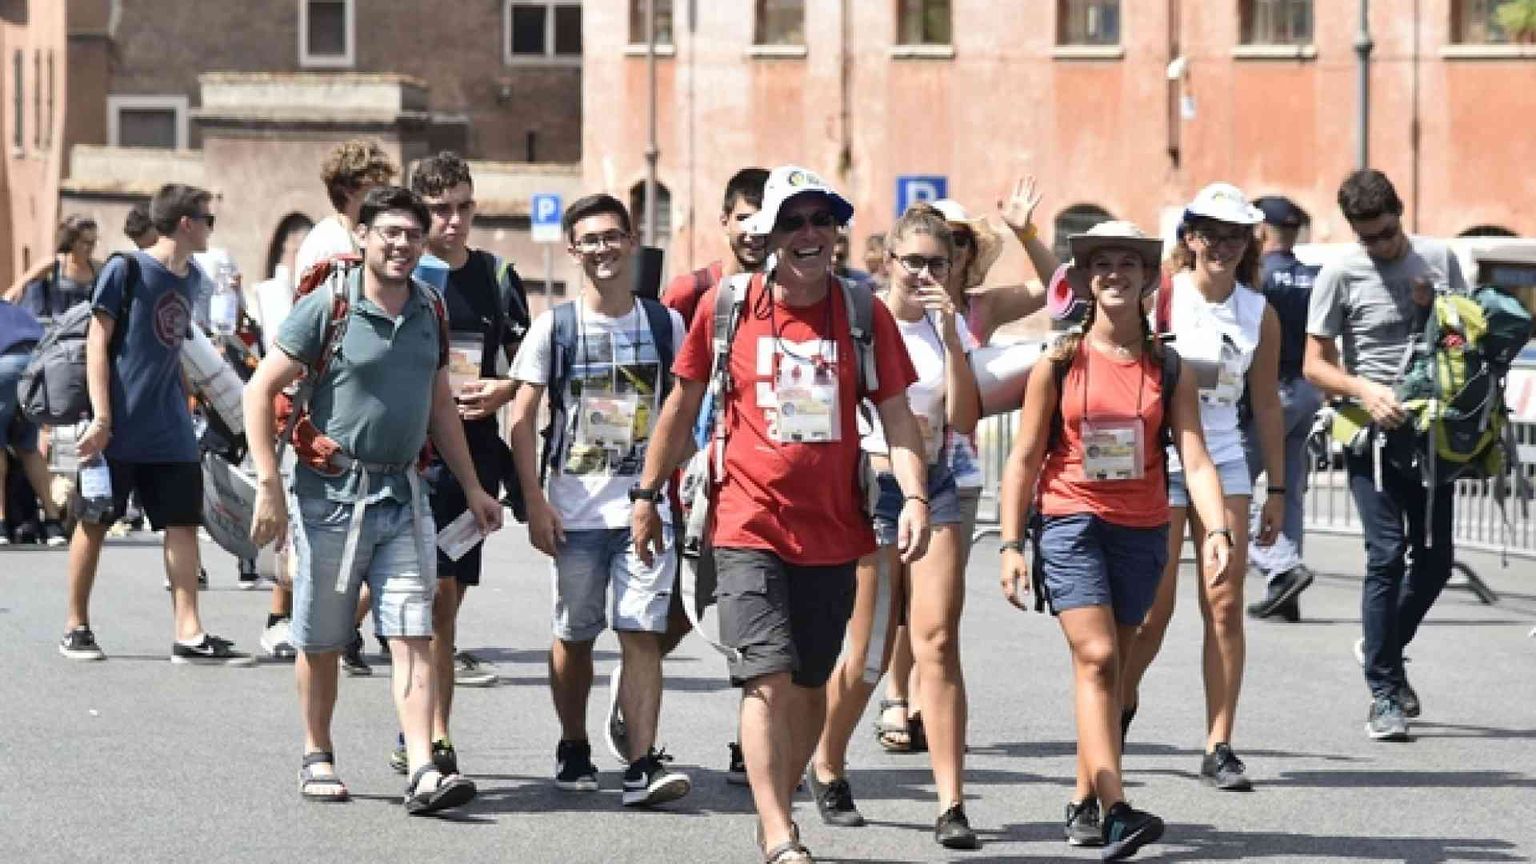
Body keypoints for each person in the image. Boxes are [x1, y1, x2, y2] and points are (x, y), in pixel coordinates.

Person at [632, 165, 930, 864]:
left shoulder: (863, 314)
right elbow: (679, 407)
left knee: (809, 680)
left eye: (821, 221)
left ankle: (784, 796)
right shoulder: (728, 307)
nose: (809, 234)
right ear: (767, 234)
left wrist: (914, 495)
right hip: (747, 523)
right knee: (765, 675)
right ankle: (778, 833)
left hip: (835, 530)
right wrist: (647, 494)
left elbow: (896, 415)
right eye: (793, 221)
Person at [244, 185, 501, 812]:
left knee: (413, 631)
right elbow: (260, 389)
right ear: (362, 236)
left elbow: (441, 404)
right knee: (323, 636)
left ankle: (421, 769)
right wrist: (269, 486)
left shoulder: (430, 308)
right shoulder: (328, 305)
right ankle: (317, 752)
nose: (402, 245)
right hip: (329, 496)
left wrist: (472, 488)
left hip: (403, 493)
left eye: (412, 235)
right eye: (389, 232)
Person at [998, 220, 1233, 860]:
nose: (1114, 275)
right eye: (1102, 264)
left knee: (1115, 670)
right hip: (1071, 518)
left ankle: (1082, 799)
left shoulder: (1169, 365)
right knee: (1097, 657)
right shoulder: (1059, 361)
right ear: (1083, 279)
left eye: (1128, 264)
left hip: (1143, 528)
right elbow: (1022, 458)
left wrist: (1217, 530)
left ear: (1146, 280)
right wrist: (1012, 543)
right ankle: (1118, 809)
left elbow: (1196, 456)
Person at [507, 193, 692, 807]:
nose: (602, 249)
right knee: (575, 635)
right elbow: (523, 418)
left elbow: (683, 413)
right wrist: (534, 503)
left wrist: (676, 489)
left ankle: (640, 763)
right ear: (573, 249)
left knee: (640, 631)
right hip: (574, 510)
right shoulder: (554, 326)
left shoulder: (665, 323)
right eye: (590, 239)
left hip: (644, 508)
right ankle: (574, 743)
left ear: (631, 239)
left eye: (612, 236)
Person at [807, 203, 982, 848]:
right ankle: (827, 762)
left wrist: (954, 337)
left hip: (934, 483)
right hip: (867, 487)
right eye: (913, 261)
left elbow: (963, 417)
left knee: (936, 639)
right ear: (888, 260)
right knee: (870, 656)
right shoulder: (859, 318)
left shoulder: (946, 326)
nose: (924, 273)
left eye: (937, 262)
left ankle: (951, 804)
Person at [876, 180, 1054, 754]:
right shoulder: (886, 311)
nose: (941, 256)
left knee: (938, 607)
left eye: (954, 243)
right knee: (894, 605)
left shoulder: (981, 307)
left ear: (965, 254)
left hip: (957, 466)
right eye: (930, 244)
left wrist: (1026, 232)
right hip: (888, 464)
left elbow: (1060, 291)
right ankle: (896, 697)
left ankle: (927, 698)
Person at [1120, 183, 1284, 792]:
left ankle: (1219, 742)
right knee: (1151, 612)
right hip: (1159, 457)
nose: (1222, 244)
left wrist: (1281, 490)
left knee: (1223, 602)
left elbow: (1266, 405)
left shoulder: (1258, 312)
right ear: (1189, 238)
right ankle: (1120, 698)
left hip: (1225, 460)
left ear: (1248, 243)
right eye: (1210, 232)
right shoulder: (1160, 299)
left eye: (1234, 234)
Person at [57, 183, 252, 665]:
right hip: (118, 425)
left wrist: (199, 399)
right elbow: (97, 343)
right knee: (95, 521)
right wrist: (102, 416)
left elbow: (175, 347)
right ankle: (76, 625)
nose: (212, 228)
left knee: (182, 523)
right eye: (209, 219)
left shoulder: (191, 279)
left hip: (170, 427)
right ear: (186, 223)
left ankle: (189, 632)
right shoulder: (126, 270)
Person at [1303, 169, 1466, 741]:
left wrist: (1432, 310)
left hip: (1432, 436)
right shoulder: (1339, 273)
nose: (1380, 246)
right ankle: (1384, 692)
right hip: (1367, 436)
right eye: (1368, 237)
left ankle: (1380, 647)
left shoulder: (1440, 259)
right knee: (1386, 555)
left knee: (1437, 561)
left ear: (1402, 212)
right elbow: (1315, 365)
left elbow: (1461, 344)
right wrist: (1364, 391)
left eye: (1388, 233)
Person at [387, 151, 530, 774]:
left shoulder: (497, 277)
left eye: (464, 207)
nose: (454, 221)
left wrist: (502, 389)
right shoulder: (399, 278)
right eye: (441, 210)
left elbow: (527, 368)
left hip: (471, 462)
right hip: (404, 460)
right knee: (431, 599)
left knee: (448, 601)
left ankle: (421, 729)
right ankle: (432, 736)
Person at [656, 166, 769, 783]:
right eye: (743, 216)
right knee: (679, 612)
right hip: (692, 485)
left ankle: (744, 741)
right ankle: (638, 682)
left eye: (764, 216)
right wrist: (654, 479)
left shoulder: (800, 289)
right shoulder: (688, 292)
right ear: (724, 220)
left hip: (760, 488)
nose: (754, 229)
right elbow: (665, 392)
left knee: (757, 616)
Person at [287, 138, 399, 675]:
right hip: (331, 399)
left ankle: (341, 627)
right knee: (332, 536)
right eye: (376, 184)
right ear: (353, 190)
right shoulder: (330, 244)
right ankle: (326, 630)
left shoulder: (350, 235)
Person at [1242, 196, 1322, 621]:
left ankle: (1281, 566)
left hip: (1270, 392)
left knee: (1229, 483)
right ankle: (1283, 593)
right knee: (1287, 490)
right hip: (1308, 389)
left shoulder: (1259, 278)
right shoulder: (1313, 276)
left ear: (1260, 229)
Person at [0, 298, 68, 545]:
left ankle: (1, 525)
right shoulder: (17, 312)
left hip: (4, 367)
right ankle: (53, 524)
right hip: (39, 370)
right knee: (27, 446)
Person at [5, 215, 100, 316]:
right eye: (86, 242)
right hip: (55, 329)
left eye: (93, 242)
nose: (91, 247)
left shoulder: (98, 269)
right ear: (72, 241)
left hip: (85, 329)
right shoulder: (55, 264)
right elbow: (17, 289)